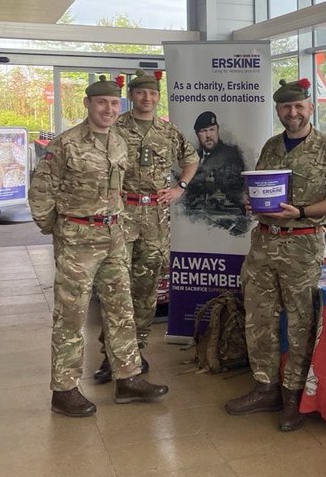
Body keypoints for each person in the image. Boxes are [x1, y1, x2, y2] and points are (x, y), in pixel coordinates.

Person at [29, 74, 169, 417]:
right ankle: (64, 389)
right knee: (71, 315)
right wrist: (59, 229)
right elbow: (41, 192)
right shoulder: (66, 144)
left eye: (114, 103)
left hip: (114, 236)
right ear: (88, 104)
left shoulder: (118, 142)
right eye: (102, 102)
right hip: (78, 241)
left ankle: (128, 379)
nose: (109, 109)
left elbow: (119, 189)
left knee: (121, 310)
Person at [224, 78, 326, 431]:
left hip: (302, 242)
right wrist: (251, 202)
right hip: (264, 242)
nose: (292, 113)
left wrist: (301, 210)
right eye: (285, 107)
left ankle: (293, 396)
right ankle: (265, 386)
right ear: (278, 110)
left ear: (310, 108)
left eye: (299, 106)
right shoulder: (271, 147)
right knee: (259, 316)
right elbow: (261, 189)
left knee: (300, 321)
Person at [93, 70, 199, 383]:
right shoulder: (115, 127)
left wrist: (180, 185)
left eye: (152, 93)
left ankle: (136, 351)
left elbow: (191, 159)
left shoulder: (168, 132)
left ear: (158, 96)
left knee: (146, 290)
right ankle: (110, 356)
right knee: (114, 288)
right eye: (141, 93)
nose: (147, 98)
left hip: (154, 219)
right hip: (122, 215)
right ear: (132, 96)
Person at [184, 111, 247, 212]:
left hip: (226, 214)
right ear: (197, 134)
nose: (208, 135)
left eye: (212, 129)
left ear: (218, 130)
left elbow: (234, 190)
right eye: (203, 131)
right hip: (198, 215)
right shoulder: (194, 157)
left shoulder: (231, 155)